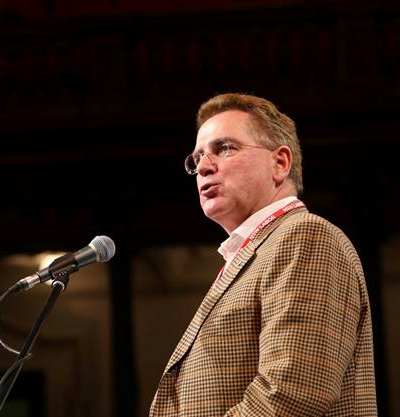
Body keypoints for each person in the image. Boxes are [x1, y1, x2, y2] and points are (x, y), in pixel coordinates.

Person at [149, 93, 377, 417]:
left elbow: (292, 392)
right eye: (197, 157)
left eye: (224, 148)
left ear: (279, 163)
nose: (203, 166)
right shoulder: (256, 251)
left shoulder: (304, 237)